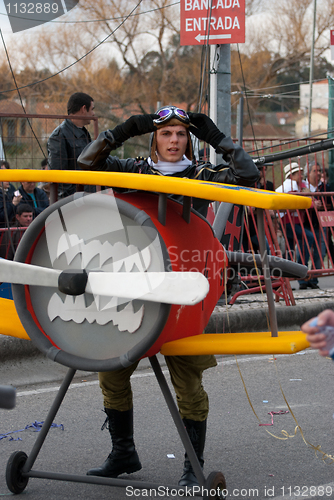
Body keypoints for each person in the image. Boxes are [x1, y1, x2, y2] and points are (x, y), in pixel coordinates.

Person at [77, 106, 260, 487]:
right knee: (111, 371)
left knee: (188, 383)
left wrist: (216, 137)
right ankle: (123, 453)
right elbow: (86, 162)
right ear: (154, 139)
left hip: (185, 293)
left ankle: (193, 466)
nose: (173, 140)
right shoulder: (135, 170)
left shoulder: (202, 173)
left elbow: (250, 176)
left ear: (189, 139)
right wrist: (127, 128)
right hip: (135, 290)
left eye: (180, 134)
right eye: (165, 134)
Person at [47, 92, 95, 198]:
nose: (93, 114)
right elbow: (58, 175)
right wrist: (72, 201)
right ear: (83, 109)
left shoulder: (84, 134)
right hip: (72, 201)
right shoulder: (59, 136)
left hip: (86, 196)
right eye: (92, 109)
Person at [275, 163, 315, 287]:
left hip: (295, 222)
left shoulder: (300, 185)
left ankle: (292, 279)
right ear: (291, 175)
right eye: (298, 173)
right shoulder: (288, 187)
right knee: (307, 239)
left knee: (289, 251)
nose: (301, 175)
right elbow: (292, 205)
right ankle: (297, 273)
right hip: (287, 222)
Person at [299, 161, 326, 289]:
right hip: (306, 223)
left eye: (320, 170)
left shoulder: (325, 186)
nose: (319, 173)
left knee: (319, 253)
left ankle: (314, 280)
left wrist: (321, 206)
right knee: (304, 252)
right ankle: (302, 280)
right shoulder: (302, 187)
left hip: (321, 224)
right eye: (315, 171)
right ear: (308, 173)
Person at [0, 161, 22, 228]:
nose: (8, 178)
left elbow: (21, 205)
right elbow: (1, 217)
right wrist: (13, 204)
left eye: (8, 173)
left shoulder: (11, 188)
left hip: (13, 227)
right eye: (4, 174)